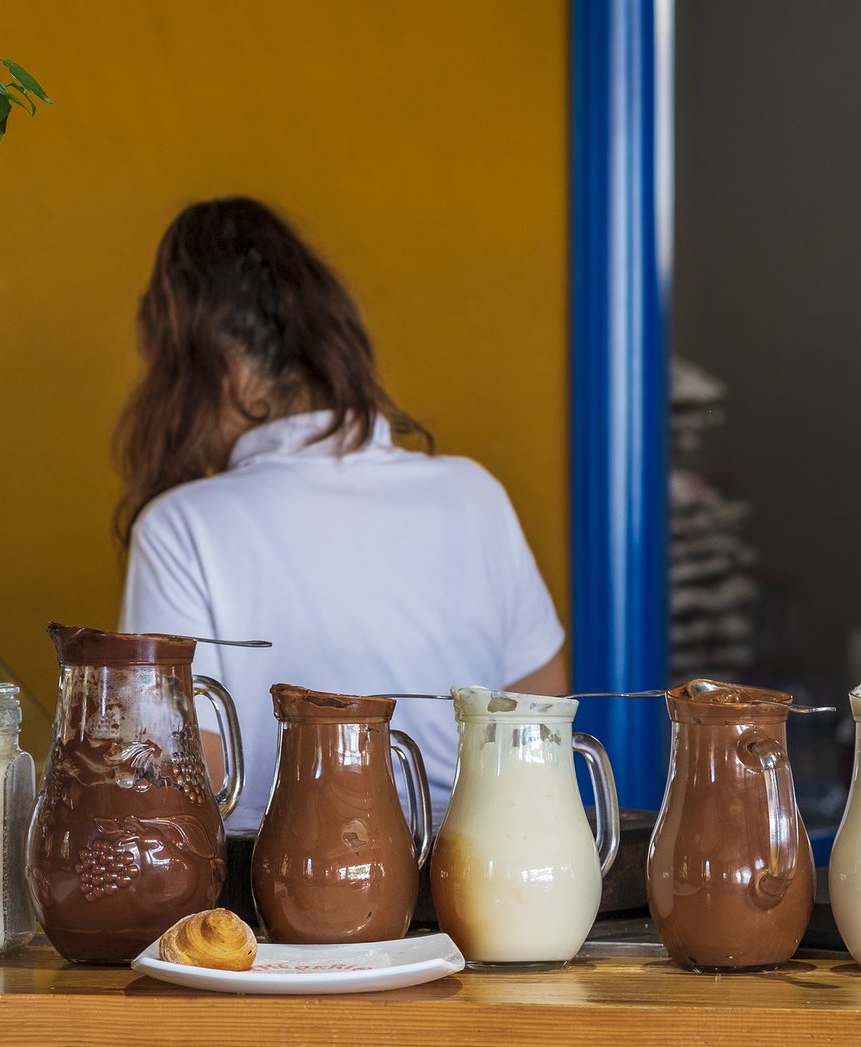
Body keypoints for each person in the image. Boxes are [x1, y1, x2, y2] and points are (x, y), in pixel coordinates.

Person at [115, 195, 565, 829]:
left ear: (229, 374)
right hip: (483, 900)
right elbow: (541, 735)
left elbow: (185, 794)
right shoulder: (474, 493)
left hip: (281, 908)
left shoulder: (181, 526)